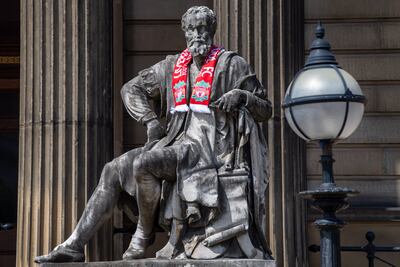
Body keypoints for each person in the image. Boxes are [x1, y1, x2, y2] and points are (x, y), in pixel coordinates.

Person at [35, 6, 272, 263]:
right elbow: (130, 89)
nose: (197, 35)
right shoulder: (172, 67)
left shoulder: (232, 65)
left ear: (212, 31)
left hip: (210, 149)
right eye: (191, 29)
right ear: (185, 33)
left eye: (202, 28)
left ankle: (142, 235)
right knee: (113, 169)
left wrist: (242, 96)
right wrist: (150, 121)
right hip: (175, 142)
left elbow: (265, 109)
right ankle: (74, 244)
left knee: (145, 163)